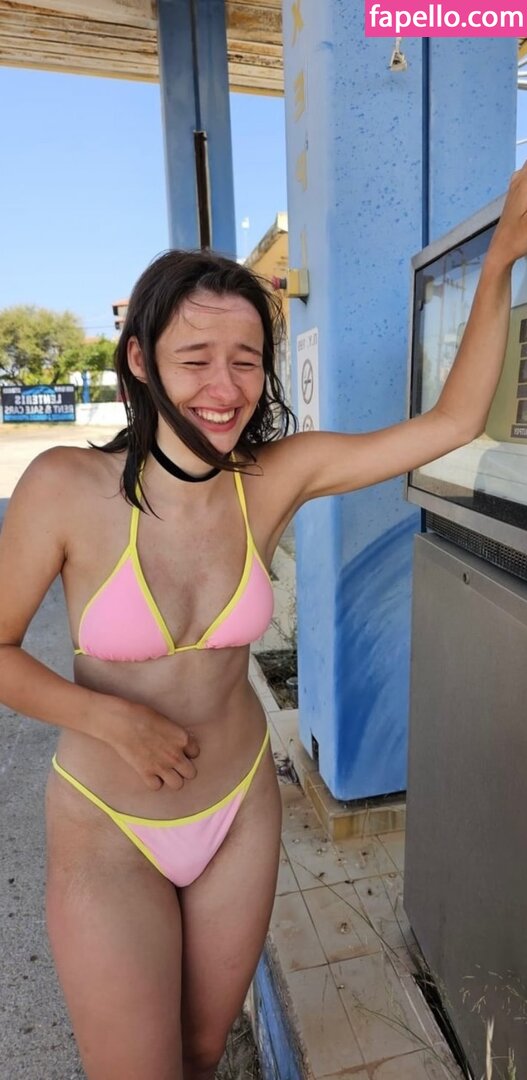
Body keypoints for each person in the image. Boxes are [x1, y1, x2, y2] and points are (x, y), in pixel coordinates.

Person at [0, 163, 526, 1080]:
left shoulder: (274, 478)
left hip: (238, 806)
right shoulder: (63, 487)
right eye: (195, 357)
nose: (224, 385)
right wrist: (107, 717)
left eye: (246, 359)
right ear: (140, 360)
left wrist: (501, 261)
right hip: (107, 823)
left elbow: (448, 423)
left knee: (203, 1051)